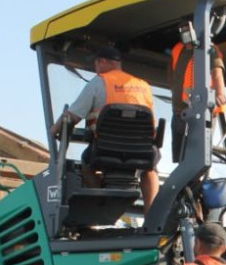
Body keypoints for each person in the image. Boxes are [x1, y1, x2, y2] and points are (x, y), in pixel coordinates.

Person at [50, 46, 161, 212]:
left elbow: (72, 115)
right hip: (141, 150)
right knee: (151, 168)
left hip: (106, 150)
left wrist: (54, 130)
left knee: (86, 166)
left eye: (95, 64)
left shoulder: (99, 82)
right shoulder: (143, 85)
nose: (95, 69)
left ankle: (103, 203)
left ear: (101, 62)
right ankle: (151, 213)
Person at [167, 40, 226, 162]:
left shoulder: (209, 48)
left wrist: (220, 94)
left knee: (199, 155)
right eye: (182, 30)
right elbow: (171, 76)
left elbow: (217, 72)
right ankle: (184, 179)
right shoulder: (177, 49)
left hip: (203, 112)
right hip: (180, 112)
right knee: (180, 157)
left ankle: (198, 178)